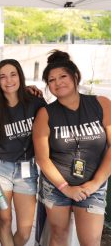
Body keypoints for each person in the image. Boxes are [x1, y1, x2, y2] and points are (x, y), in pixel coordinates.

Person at [33, 50, 111, 246]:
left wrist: (95, 184)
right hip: (57, 186)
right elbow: (42, 158)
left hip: (93, 185)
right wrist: (65, 188)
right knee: (58, 237)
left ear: (75, 77)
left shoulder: (101, 104)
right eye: (51, 80)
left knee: (90, 241)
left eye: (63, 76)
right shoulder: (45, 113)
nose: (58, 83)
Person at [0, 59, 46, 246]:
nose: (8, 80)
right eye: (2, 76)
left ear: (20, 76)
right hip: (0, 170)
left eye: (13, 74)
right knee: (5, 220)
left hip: (26, 171)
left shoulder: (35, 102)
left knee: (25, 231)